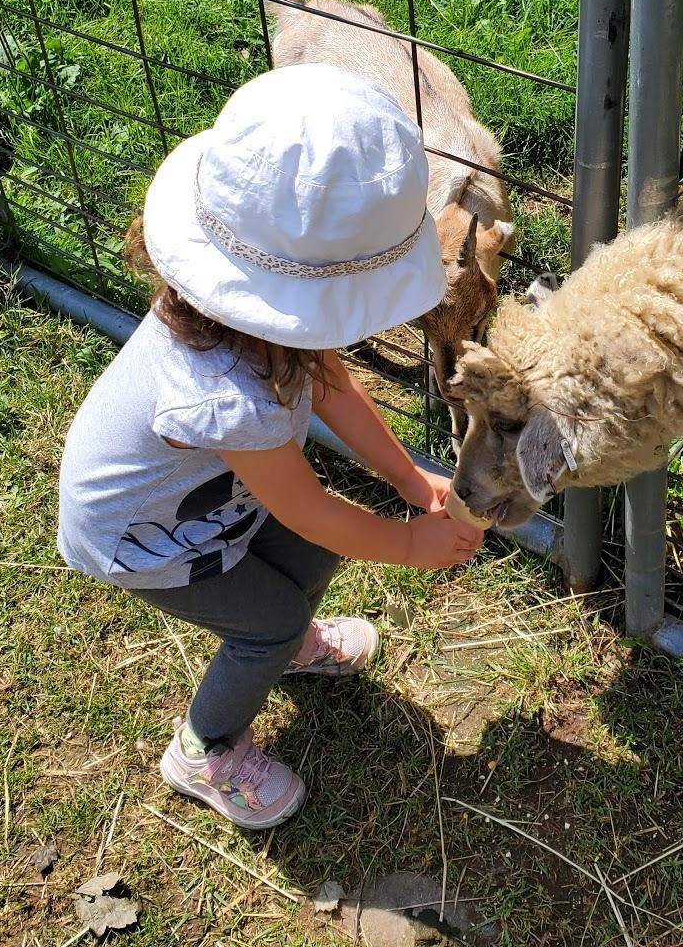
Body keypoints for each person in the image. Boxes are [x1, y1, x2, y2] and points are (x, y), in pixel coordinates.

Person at [57, 64, 484, 829]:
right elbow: (308, 507)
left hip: (207, 501)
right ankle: (206, 750)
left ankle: (285, 645)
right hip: (143, 539)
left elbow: (335, 388)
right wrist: (411, 544)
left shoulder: (255, 325)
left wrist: (413, 478)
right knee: (267, 619)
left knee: (310, 563)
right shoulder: (226, 397)